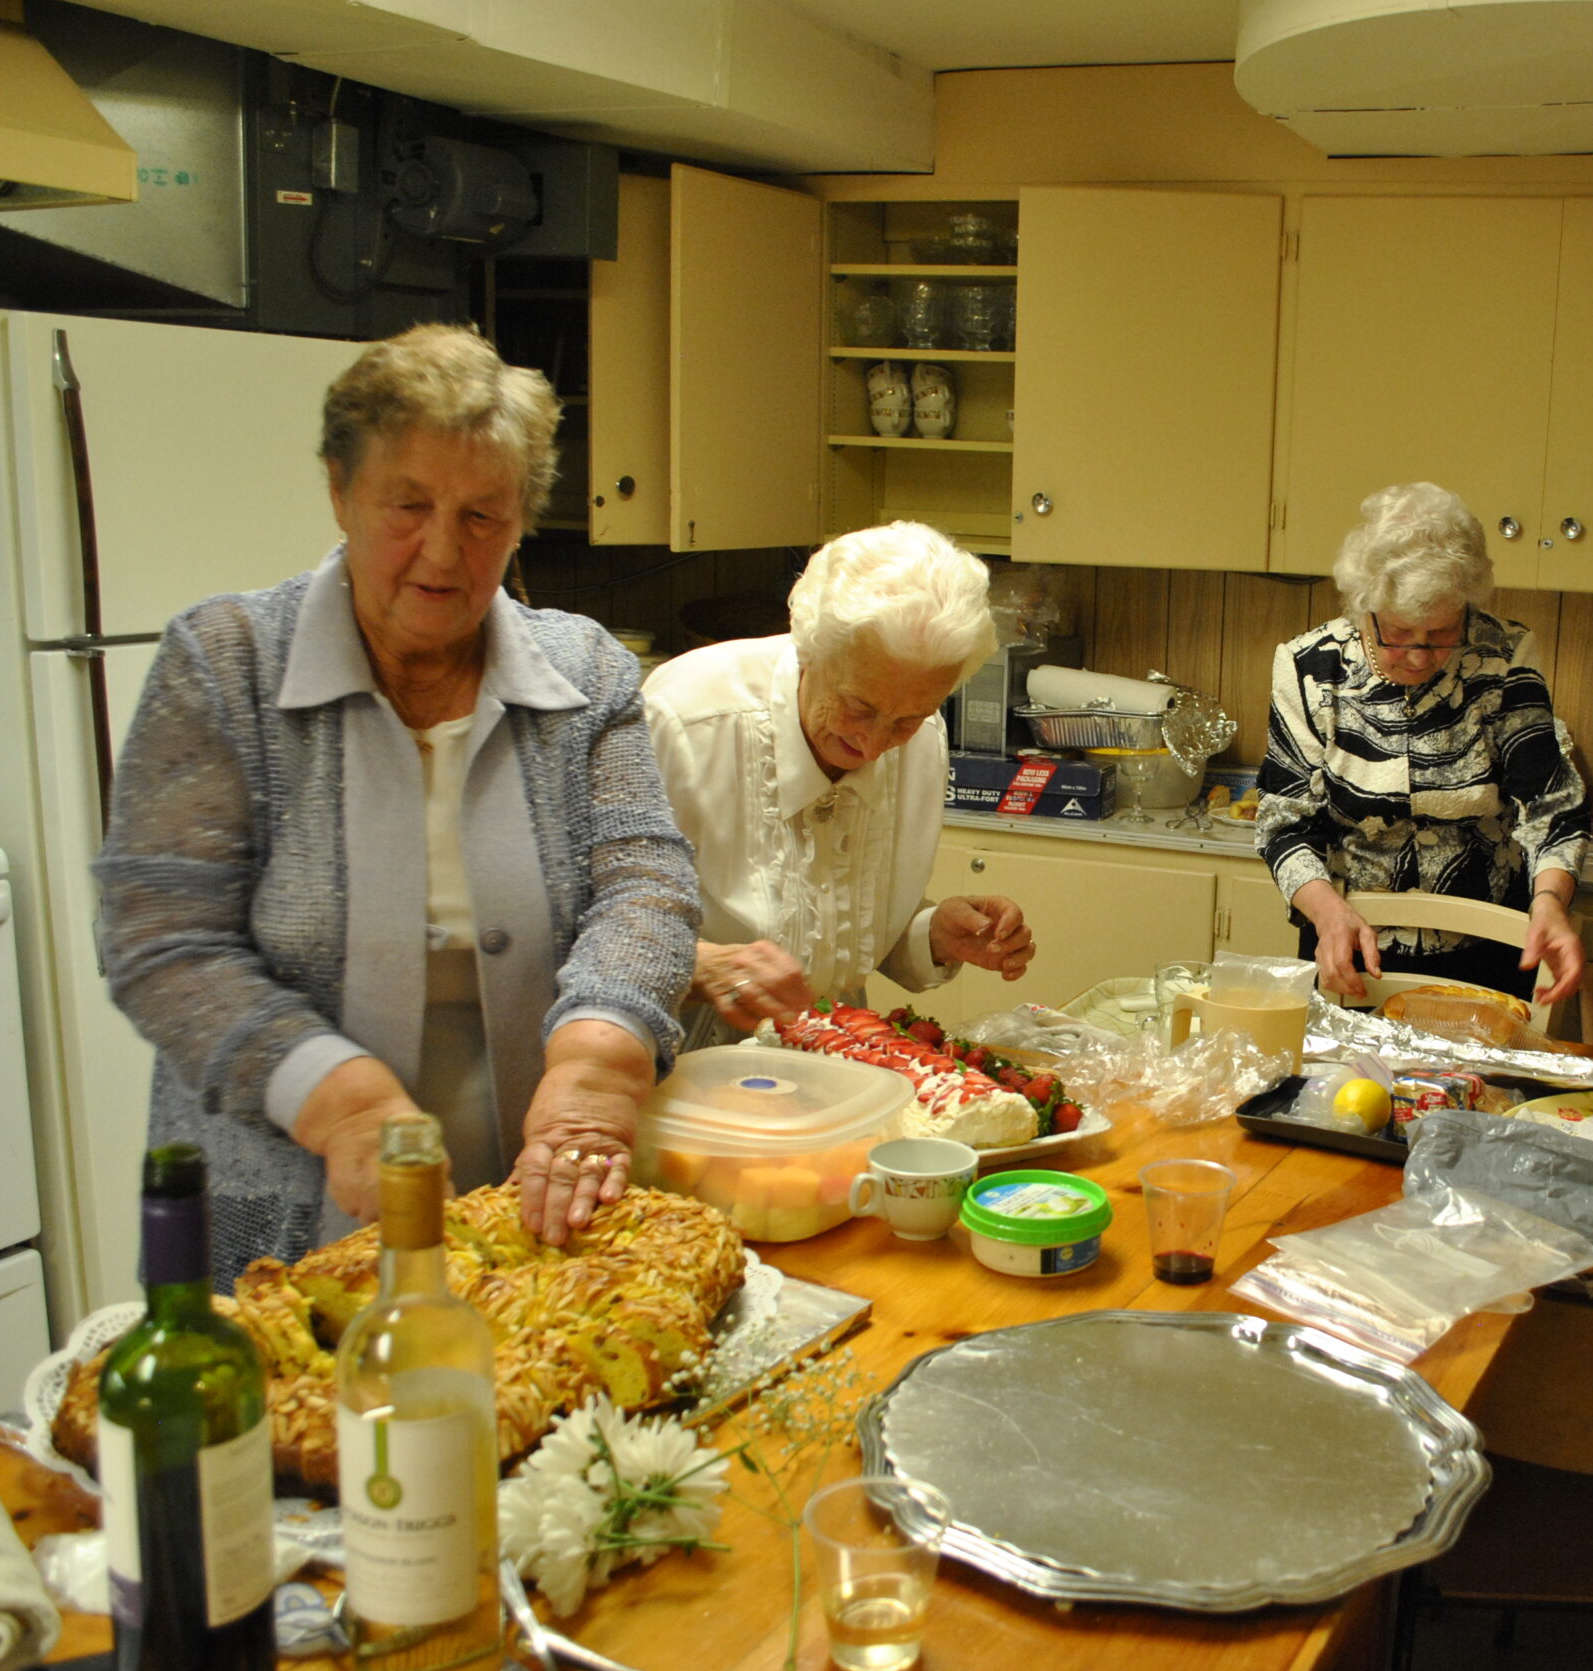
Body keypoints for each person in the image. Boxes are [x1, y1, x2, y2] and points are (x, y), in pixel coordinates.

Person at [95, 324, 702, 1280]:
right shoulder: (223, 665)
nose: (442, 551)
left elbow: (645, 882)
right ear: (341, 490)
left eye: (482, 516)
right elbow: (162, 941)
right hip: (287, 1222)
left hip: (532, 1205)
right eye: (407, 505)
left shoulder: (583, 669)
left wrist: (596, 1065)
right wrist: (338, 1098)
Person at [642, 521, 1035, 1040]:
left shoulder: (923, 740)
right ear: (808, 651)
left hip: (829, 1069)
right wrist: (703, 966)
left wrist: (933, 932)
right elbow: (585, 933)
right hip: (675, 1068)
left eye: (906, 719)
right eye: (858, 707)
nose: (873, 746)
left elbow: (835, 928)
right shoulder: (685, 720)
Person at [1257, 483, 1589, 1006]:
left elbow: (1550, 809)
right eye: (1398, 632)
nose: (1418, 655)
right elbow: (1283, 824)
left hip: (1487, 952)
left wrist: (1549, 902)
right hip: (1348, 942)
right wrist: (1327, 914)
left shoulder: (1505, 657)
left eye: (1440, 633)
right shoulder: (1309, 667)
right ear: (1365, 606)